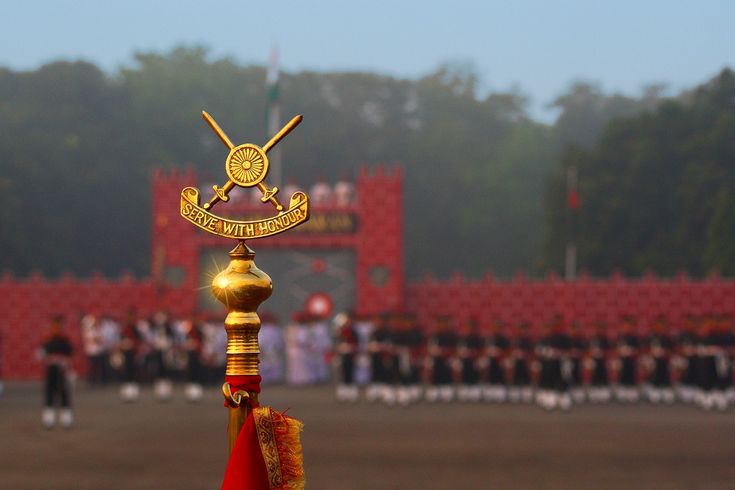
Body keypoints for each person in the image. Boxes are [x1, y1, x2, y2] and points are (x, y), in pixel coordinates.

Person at [40, 316, 74, 429]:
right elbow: (42, 352)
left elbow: (70, 351)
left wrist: (64, 361)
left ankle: (66, 418)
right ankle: (49, 419)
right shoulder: (47, 339)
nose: (56, 328)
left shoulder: (64, 339)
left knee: (64, 392)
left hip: (62, 369)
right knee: (49, 392)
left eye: (58, 325)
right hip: (51, 369)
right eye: (54, 325)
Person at [536, 317, 572, 410]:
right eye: (554, 324)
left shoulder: (565, 338)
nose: (556, 326)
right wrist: (547, 353)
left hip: (562, 362)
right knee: (547, 369)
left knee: (565, 371)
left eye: (558, 324)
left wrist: (559, 353)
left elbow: (570, 352)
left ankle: (563, 396)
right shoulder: (546, 338)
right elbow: (539, 351)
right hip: (549, 363)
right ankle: (550, 396)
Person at [425, 316, 457, 403]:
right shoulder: (434, 336)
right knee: (430, 363)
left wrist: (444, 352)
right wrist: (434, 352)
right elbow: (430, 348)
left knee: (450, 364)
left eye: (444, 324)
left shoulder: (452, 336)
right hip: (435, 358)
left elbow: (455, 350)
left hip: (448, 358)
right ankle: (434, 386)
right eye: (440, 324)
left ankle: (446, 387)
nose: (441, 326)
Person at [645, 317, 675, 404]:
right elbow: (645, 350)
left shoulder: (667, 338)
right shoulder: (650, 337)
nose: (659, 328)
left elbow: (673, 350)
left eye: (661, 326)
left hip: (665, 359)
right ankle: (653, 385)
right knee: (649, 362)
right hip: (652, 359)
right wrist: (652, 353)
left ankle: (666, 386)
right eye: (658, 326)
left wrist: (664, 353)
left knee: (669, 363)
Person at [365, 313, 392, 402]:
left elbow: (390, 345)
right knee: (375, 372)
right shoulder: (374, 333)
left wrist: (382, 347)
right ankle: (375, 391)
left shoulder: (388, 332)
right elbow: (369, 345)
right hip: (375, 356)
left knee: (385, 373)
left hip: (385, 356)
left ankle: (386, 392)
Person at [334, 312, 360, 402]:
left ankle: (351, 391)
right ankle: (343, 391)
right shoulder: (339, 332)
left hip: (351, 354)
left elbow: (356, 343)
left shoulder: (353, 331)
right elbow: (336, 343)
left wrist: (351, 347)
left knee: (351, 372)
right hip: (342, 355)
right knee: (343, 372)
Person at [456, 317, 483, 402]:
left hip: (477, 359)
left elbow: (482, 350)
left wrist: (475, 354)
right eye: (469, 326)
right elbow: (460, 350)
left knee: (479, 364)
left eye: (472, 326)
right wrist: (465, 353)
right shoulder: (464, 338)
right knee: (461, 364)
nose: (471, 328)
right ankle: (464, 385)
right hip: (465, 358)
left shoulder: (479, 338)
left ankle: (476, 386)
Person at [614, 317, 640, 403]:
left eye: (629, 326)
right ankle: (621, 386)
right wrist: (620, 352)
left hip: (632, 359)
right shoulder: (619, 337)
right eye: (625, 326)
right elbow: (615, 351)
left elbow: (639, 351)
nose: (627, 328)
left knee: (632, 363)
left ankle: (632, 387)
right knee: (617, 364)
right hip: (621, 360)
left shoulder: (635, 339)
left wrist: (630, 352)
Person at [118, 309, 142, 402]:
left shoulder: (135, 328)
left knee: (133, 370)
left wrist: (133, 344)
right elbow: (120, 340)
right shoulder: (124, 329)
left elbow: (139, 339)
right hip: (125, 352)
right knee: (126, 370)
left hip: (133, 352)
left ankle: (133, 390)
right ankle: (126, 389)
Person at [483, 320, 509, 403]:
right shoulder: (489, 338)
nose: (496, 329)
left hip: (500, 359)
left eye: (498, 327)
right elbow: (484, 349)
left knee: (502, 367)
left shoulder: (504, 339)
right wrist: (489, 352)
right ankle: (489, 387)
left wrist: (499, 352)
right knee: (486, 365)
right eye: (495, 327)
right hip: (490, 359)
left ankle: (500, 388)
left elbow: (507, 351)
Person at [508, 322, 534, 403]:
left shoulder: (528, 341)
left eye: (524, 329)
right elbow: (510, 351)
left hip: (526, 361)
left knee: (526, 374)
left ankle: (527, 392)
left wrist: (525, 354)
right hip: (516, 361)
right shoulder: (515, 340)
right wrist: (515, 353)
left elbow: (532, 352)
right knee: (515, 371)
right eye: (521, 328)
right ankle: (515, 391)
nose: (522, 330)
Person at [586, 321, 611, 403]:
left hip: (603, 360)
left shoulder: (606, 340)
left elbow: (610, 352)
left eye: (601, 328)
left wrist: (602, 353)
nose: (600, 330)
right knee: (590, 364)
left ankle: (604, 387)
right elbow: (587, 351)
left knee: (605, 365)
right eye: (598, 328)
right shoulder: (593, 339)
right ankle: (593, 387)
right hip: (593, 360)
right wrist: (593, 353)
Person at [676, 315, 699, 403]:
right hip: (683, 358)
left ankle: (695, 385)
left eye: (691, 324)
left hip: (694, 358)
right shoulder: (681, 335)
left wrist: (693, 351)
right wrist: (683, 351)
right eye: (688, 324)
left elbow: (699, 349)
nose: (690, 325)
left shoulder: (697, 336)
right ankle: (682, 384)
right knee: (680, 362)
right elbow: (677, 349)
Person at [259, 311, 285, 385]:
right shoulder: (275, 329)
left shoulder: (262, 329)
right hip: (272, 351)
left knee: (266, 369)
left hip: (265, 351)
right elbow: (280, 342)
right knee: (272, 369)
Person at [567, 322, 586, 403]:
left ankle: (578, 390)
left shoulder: (581, 340)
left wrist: (579, 353)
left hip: (579, 360)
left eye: (576, 329)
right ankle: (568, 389)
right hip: (568, 360)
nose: (574, 331)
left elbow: (585, 351)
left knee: (578, 369)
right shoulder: (567, 340)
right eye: (573, 329)